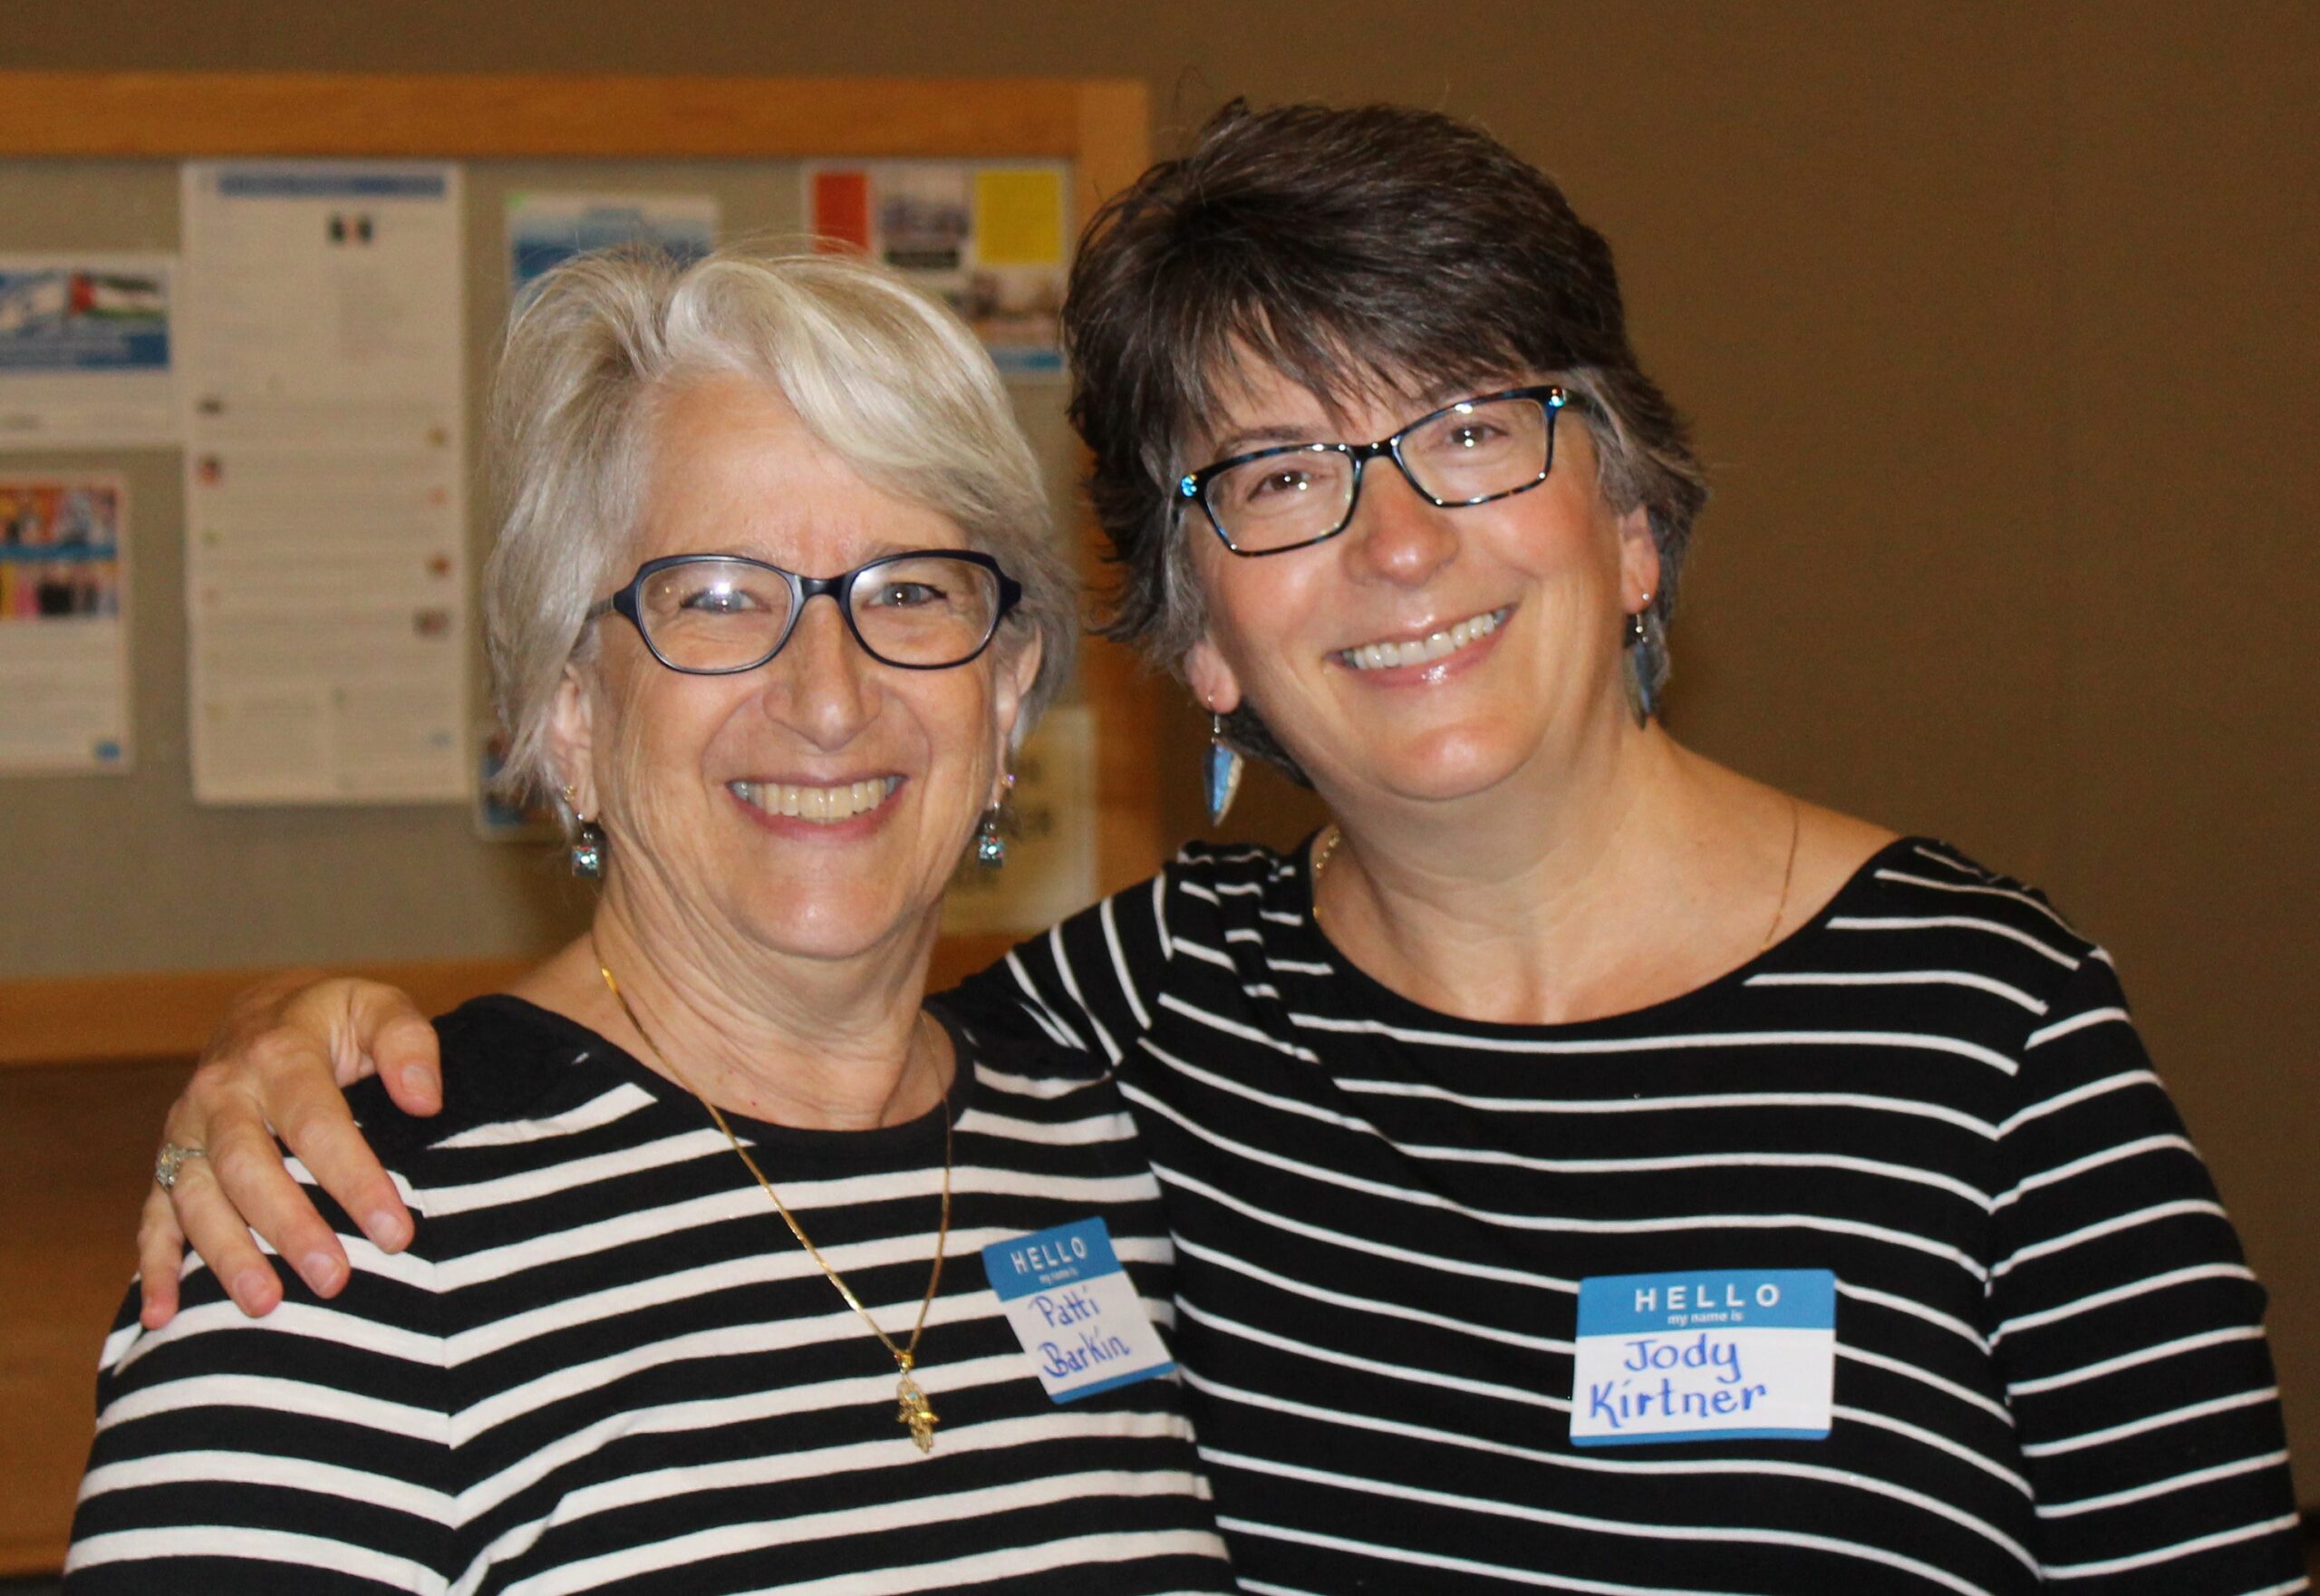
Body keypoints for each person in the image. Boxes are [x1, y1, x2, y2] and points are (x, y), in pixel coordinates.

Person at [137, 104, 2303, 1593]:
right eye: (1267, 475)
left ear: (1629, 519)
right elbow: (747, 1031)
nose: (1388, 541)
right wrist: (299, 1052)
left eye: (1466, 429)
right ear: (1190, 646)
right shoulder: (1144, 1031)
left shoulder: (1978, 1026)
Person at [67, 249, 1237, 1592]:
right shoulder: (341, 1238)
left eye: (911, 591)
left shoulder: (1100, 1147)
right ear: (570, 711)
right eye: (720, 598)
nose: (830, 695)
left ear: (1010, 689)